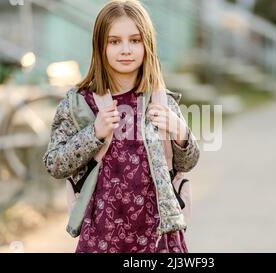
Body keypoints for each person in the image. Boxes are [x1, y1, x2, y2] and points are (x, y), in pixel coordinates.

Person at [43, 0, 200, 253]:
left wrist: (181, 133)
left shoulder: (162, 101)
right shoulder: (81, 104)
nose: (125, 49)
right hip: (101, 237)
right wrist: (93, 133)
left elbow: (186, 164)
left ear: (147, 45)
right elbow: (54, 163)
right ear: (100, 46)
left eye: (135, 40)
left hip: (158, 237)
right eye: (114, 41)